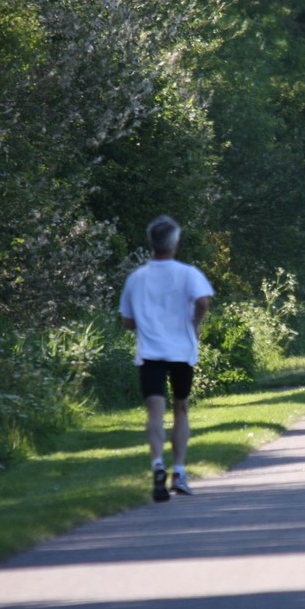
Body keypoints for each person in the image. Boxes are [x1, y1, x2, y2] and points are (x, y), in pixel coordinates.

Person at [119, 215, 214, 502]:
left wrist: (148, 319)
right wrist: (194, 323)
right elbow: (202, 302)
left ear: (151, 244)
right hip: (181, 351)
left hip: (150, 353)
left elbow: (127, 322)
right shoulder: (188, 273)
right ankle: (179, 471)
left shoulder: (136, 278)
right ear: (175, 244)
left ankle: (158, 464)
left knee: (155, 413)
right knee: (181, 408)